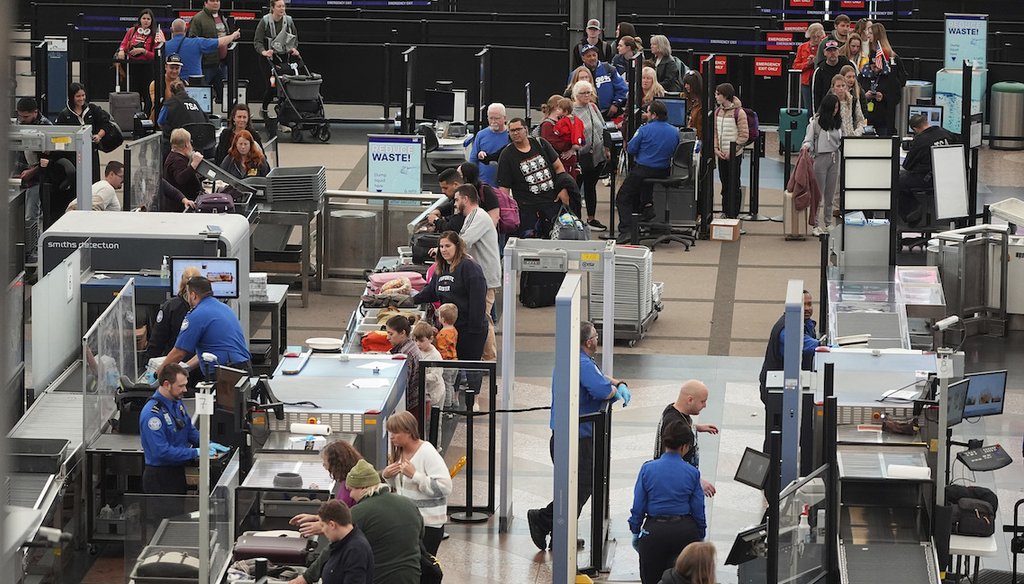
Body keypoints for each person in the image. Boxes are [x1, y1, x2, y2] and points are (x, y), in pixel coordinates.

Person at [527, 321, 630, 551]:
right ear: (588, 341)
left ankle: (561, 535)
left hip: (570, 436)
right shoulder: (581, 363)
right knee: (581, 487)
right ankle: (542, 520)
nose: (598, 338)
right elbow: (602, 389)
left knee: (575, 486)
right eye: (595, 335)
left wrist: (618, 382)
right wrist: (615, 391)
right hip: (578, 439)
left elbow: (601, 377)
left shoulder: (575, 359)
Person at [290, 459, 423, 584]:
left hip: (381, 578)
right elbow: (420, 536)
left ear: (362, 487)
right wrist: (317, 518)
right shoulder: (408, 503)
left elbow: (333, 548)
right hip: (412, 576)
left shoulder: (362, 510)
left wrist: (307, 577)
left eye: (351, 489)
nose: (351, 495)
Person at [630, 420, 705, 584]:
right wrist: (700, 534)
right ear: (685, 446)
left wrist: (636, 530)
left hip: (654, 532)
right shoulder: (692, 473)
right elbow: (698, 509)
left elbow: (638, 506)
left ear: (665, 443)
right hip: (684, 532)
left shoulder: (647, 469)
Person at [140, 363, 229, 494]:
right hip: (159, 477)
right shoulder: (152, 415)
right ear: (166, 385)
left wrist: (207, 444)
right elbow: (162, 452)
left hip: (177, 472)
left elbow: (188, 430)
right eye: (181, 386)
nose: (185, 390)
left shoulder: (176, 402)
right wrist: (196, 452)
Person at [381, 411, 452, 556]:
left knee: (425, 570)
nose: (391, 436)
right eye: (390, 432)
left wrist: (415, 475)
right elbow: (402, 488)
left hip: (428, 525)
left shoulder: (427, 452)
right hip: (409, 522)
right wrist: (387, 476)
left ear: (408, 431)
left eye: (395, 432)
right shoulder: (399, 452)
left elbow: (445, 487)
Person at [412, 232, 488, 367]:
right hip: (450, 329)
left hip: (470, 329)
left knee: (471, 368)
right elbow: (431, 292)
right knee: (452, 370)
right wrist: (410, 300)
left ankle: (473, 388)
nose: (443, 250)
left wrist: (473, 331)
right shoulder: (441, 268)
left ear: (457, 246)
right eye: (441, 246)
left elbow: (478, 302)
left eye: (448, 246)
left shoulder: (470, 268)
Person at [758, 290, 819, 451]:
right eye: (803, 304)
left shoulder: (805, 323)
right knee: (777, 434)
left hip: (790, 386)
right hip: (778, 390)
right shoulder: (786, 329)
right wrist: (830, 348)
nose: (808, 308)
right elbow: (805, 345)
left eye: (810, 304)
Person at [157, 276, 252, 379]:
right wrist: (186, 367)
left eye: (187, 294)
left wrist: (159, 373)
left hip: (226, 373)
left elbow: (179, 352)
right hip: (244, 368)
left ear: (193, 295)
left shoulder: (197, 314)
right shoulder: (224, 308)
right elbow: (211, 350)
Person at [495, 117, 576, 237]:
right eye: (512, 131)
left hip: (552, 204)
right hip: (527, 211)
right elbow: (504, 189)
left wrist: (563, 190)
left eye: (518, 129)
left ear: (526, 130)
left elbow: (559, 167)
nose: (515, 133)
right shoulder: (506, 155)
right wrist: (507, 213)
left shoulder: (540, 143)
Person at [452, 184, 501, 361]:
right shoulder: (472, 217)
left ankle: (489, 360)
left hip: (485, 278)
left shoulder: (478, 216)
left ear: (466, 199)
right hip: (480, 277)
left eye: (457, 199)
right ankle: (484, 357)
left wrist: (443, 250)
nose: (455, 203)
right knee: (480, 317)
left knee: (483, 319)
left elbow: (463, 242)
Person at [615, 100, 679, 232]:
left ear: (654, 115)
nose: (646, 114)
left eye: (648, 112)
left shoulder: (644, 130)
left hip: (644, 169)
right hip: (663, 170)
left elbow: (631, 149)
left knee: (623, 196)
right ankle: (647, 207)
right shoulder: (675, 131)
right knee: (643, 185)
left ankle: (626, 229)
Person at [653, 380, 719, 497]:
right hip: (675, 486)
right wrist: (697, 481)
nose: (705, 406)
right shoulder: (675, 423)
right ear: (690, 400)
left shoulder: (673, 410)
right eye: (702, 401)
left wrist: (697, 427)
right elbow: (672, 463)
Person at [14, 97, 54, 263]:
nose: (23, 120)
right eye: (21, 116)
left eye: (26, 117)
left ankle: (33, 251)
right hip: (19, 174)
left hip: (37, 178)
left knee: (32, 216)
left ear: (35, 113)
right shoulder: (18, 124)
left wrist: (33, 171)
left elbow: (51, 157)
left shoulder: (46, 127)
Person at [898, 113, 955, 225]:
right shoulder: (945, 133)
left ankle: (912, 211)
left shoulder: (920, 140)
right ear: (926, 122)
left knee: (897, 181)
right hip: (948, 177)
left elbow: (907, 165)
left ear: (915, 129)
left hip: (928, 179)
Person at [802, 93, 842, 235]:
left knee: (830, 194)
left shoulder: (838, 122)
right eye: (833, 107)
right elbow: (808, 139)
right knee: (817, 193)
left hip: (834, 157)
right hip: (820, 158)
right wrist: (806, 146)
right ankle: (815, 224)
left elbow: (840, 139)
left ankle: (828, 222)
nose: (836, 110)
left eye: (837, 107)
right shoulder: (815, 123)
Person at [144, 266, 202, 363]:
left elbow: (157, 341)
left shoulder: (171, 307)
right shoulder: (208, 307)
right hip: (201, 366)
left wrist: (149, 366)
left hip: (173, 366)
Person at [255, 0, 303, 116]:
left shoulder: (289, 21)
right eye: (279, 6)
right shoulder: (265, 21)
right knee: (272, 87)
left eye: (283, 6)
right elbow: (257, 41)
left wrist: (294, 49)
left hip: (283, 57)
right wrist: (264, 52)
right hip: (268, 59)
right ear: (273, 8)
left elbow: (294, 39)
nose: (282, 9)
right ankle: (264, 109)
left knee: (285, 86)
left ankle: (282, 116)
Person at [571, 80, 609, 228]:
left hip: (597, 155)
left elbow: (603, 126)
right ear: (576, 95)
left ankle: (591, 218)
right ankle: (576, 219)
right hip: (581, 156)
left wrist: (607, 148)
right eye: (583, 93)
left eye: (589, 92)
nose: (587, 95)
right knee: (576, 188)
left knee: (590, 187)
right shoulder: (572, 111)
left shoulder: (593, 107)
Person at [55, 82, 110, 182]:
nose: (81, 99)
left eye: (83, 95)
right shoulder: (64, 115)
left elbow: (105, 123)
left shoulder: (92, 109)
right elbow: (59, 135)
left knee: (93, 182)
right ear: (72, 97)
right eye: (78, 96)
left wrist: (99, 136)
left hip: (91, 153)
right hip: (73, 156)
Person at [311, 500, 374, 584]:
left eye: (322, 525)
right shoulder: (341, 542)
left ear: (332, 525)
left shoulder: (356, 550)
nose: (322, 530)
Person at [116, 8, 162, 116]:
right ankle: (134, 117)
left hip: (148, 68)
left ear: (152, 21)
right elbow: (123, 44)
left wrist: (143, 51)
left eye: (148, 19)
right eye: (144, 18)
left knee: (148, 95)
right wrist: (122, 50)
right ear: (140, 20)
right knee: (134, 94)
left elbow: (156, 55)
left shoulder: (156, 34)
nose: (146, 21)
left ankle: (147, 117)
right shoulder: (132, 31)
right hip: (133, 67)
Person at [713, 83, 749, 219]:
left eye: (718, 94)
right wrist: (716, 149)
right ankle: (725, 210)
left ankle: (733, 213)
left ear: (725, 96)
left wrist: (733, 151)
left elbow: (743, 135)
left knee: (734, 183)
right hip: (721, 154)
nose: (716, 97)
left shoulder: (739, 113)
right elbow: (715, 132)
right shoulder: (717, 112)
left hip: (734, 155)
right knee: (724, 184)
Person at [162, 18, 239, 82]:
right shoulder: (197, 43)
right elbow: (220, 42)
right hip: (194, 84)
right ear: (186, 29)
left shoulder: (164, 46)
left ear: (171, 30)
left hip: (173, 84)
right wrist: (233, 36)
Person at [187, 0, 235, 99]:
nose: (216, 3)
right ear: (205, 3)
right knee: (202, 96)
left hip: (222, 63)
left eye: (217, 1)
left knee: (225, 96)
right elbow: (192, 41)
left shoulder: (221, 17)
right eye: (212, 1)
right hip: (206, 65)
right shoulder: (198, 19)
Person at [858, 39, 903, 137]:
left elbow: (897, 97)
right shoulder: (862, 76)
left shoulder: (890, 77)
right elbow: (855, 94)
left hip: (884, 120)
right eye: (873, 66)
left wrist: (883, 97)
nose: (875, 69)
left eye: (878, 66)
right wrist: (864, 96)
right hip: (865, 119)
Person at [385, 315, 424, 424]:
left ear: (402, 333)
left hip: (413, 407)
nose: (387, 337)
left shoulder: (405, 354)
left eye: (391, 334)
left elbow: (403, 386)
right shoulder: (408, 346)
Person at [574, 43, 628, 120]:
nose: (592, 58)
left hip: (609, 113)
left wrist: (616, 104)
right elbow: (571, 93)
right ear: (583, 58)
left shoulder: (609, 69)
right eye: (588, 56)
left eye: (594, 55)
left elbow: (622, 88)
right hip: (586, 114)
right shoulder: (577, 73)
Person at [539, 95, 583, 181]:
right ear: (556, 108)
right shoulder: (547, 125)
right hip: (558, 165)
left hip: (568, 164)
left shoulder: (564, 122)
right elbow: (553, 145)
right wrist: (571, 144)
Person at [469, 103, 510, 187]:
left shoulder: (511, 136)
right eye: (491, 118)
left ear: (504, 118)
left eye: (497, 118)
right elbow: (473, 160)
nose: (493, 121)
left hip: (505, 185)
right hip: (484, 184)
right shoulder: (481, 135)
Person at [162, 127, 202, 211]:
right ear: (186, 145)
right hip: (179, 207)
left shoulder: (174, 157)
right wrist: (194, 165)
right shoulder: (177, 161)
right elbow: (181, 179)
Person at [411, 322, 446, 414]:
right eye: (416, 341)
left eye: (421, 341)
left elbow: (436, 376)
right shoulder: (417, 351)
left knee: (435, 421)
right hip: (424, 394)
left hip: (435, 394)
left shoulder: (436, 356)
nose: (418, 344)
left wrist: (420, 376)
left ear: (430, 339)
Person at [811, 40, 852, 114]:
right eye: (829, 51)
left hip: (846, 107)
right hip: (827, 110)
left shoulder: (847, 64)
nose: (832, 53)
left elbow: (856, 85)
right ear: (824, 53)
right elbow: (816, 95)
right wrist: (817, 114)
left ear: (838, 51)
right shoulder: (820, 70)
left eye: (834, 50)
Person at [321, 440, 363, 508]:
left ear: (336, 463)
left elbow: (342, 512)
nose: (323, 464)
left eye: (325, 461)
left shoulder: (350, 485)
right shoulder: (352, 478)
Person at [794, 23, 825, 111]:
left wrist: (816, 61)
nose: (816, 39)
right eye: (813, 37)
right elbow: (796, 66)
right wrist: (807, 64)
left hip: (820, 81)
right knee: (808, 108)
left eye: (818, 37)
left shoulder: (823, 47)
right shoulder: (802, 47)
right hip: (806, 82)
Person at [435, 303, 459, 407]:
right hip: (455, 360)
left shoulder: (442, 334)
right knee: (451, 384)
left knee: (446, 384)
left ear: (443, 319)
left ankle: (447, 406)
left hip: (446, 362)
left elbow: (441, 349)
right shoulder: (454, 330)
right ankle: (454, 401)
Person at [150, 54, 184, 123]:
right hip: (160, 121)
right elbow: (156, 103)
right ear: (166, 67)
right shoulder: (156, 83)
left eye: (177, 68)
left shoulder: (184, 83)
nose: (174, 71)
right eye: (171, 68)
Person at [682, 71, 703, 140]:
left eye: (688, 84)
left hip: (696, 138)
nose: (686, 86)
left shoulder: (702, 103)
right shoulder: (683, 98)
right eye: (685, 84)